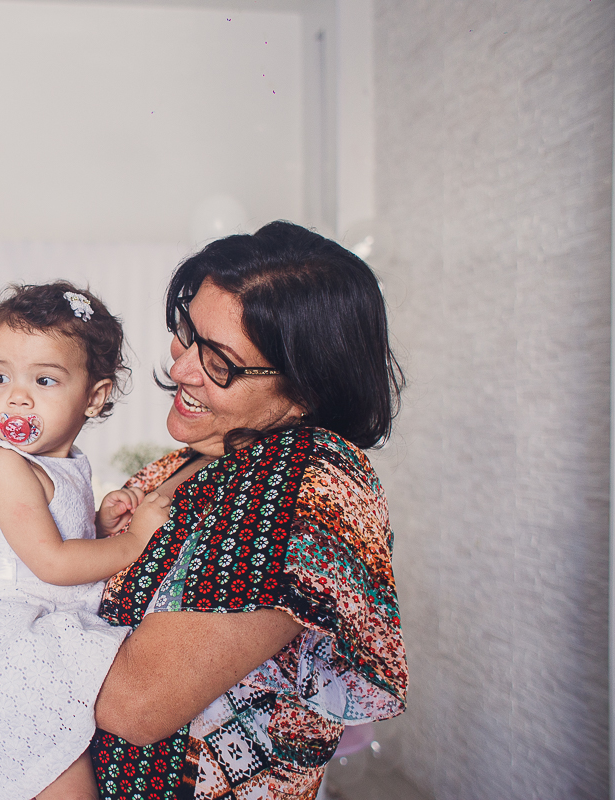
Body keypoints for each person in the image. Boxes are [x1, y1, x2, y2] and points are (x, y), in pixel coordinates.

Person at [87, 221, 409, 799]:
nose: (182, 367)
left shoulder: (300, 491)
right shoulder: (200, 457)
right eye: (188, 334)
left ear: (306, 389)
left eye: (221, 362)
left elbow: (134, 707)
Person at [0, 282, 171, 800]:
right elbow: (52, 561)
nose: (16, 396)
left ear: (94, 397)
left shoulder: (61, 465)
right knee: (41, 763)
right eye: (0, 376)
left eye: (44, 380)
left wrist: (98, 523)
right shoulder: (2, 465)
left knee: (48, 757)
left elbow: (54, 533)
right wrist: (135, 541)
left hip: (26, 619)